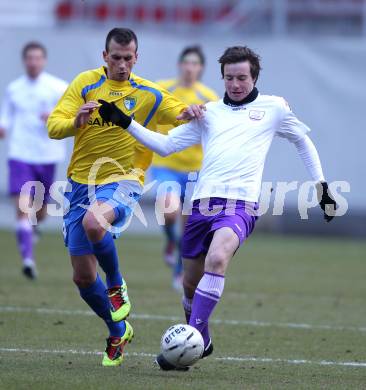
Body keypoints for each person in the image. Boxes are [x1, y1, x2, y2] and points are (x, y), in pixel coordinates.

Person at [97, 45, 338, 370]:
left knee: (218, 258)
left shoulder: (274, 108)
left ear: (254, 77)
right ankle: (203, 339)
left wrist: (321, 185)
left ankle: (189, 339)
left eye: (242, 77)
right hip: (201, 206)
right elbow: (166, 146)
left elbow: (302, 141)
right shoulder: (208, 112)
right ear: (222, 77)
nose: (236, 84)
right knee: (189, 285)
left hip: (241, 205)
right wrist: (125, 121)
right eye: (229, 78)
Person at [47, 27, 203, 367]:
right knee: (84, 278)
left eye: (127, 58)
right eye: (115, 57)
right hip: (78, 186)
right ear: (105, 57)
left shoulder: (147, 92)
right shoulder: (85, 84)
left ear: (136, 57)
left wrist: (191, 111)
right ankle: (118, 329)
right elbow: (54, 126)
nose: (121, 64)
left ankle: (117, 284)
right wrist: (76, 120)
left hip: (124, 179)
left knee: (94, 222)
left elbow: (178, 110)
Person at [151, 46, 218, 291]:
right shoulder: (163, 89)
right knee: (169, 212)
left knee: (189, 226)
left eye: (195, 63)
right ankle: (170, 241)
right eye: (186, 62)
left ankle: (180, 271)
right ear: (179, 65)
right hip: (165, 165)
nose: (190, 67)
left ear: (200, 68)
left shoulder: (208, 96)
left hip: (195, 169)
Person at [0, 42, 68, 279]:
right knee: (22, 208)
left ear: (44, 60)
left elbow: (73, 113)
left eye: (37, 58)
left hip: (48, 155)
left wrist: (55, 115)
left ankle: (33, 230)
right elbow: (5, 117)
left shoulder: (59, 87)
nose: (33, 62)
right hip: (20, 154)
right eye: (29, 58)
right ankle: (28, 260)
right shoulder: (14, 89)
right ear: (24, 60)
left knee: (40, 212)